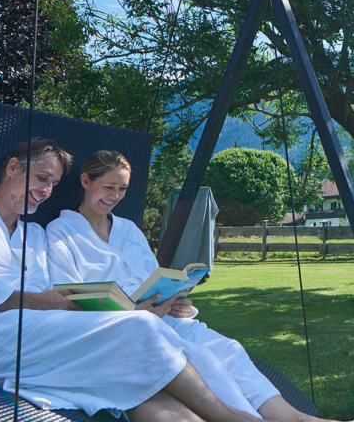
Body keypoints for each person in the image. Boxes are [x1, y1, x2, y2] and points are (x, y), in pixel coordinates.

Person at [0, 138, 354, 422]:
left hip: (40, 336)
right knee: (139, 330)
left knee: (139, 379)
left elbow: (54, 293)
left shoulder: (29, 235)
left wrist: (78, 301)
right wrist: (64, 302)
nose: (44, 191)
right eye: (39, 178)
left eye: (49, 183)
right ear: (12, 168)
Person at [45, 151, 294, 420]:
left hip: (163, 317)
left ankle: (292, 417)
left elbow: (156, 278)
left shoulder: (129, 230)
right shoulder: (61, 231)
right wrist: (133, 312)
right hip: (122, 326)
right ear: (85, 181)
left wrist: (175, 301)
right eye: (108, 187)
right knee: (203, 359)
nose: (115, 196)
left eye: (122, 189)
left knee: (228, 349)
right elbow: (69, 296)